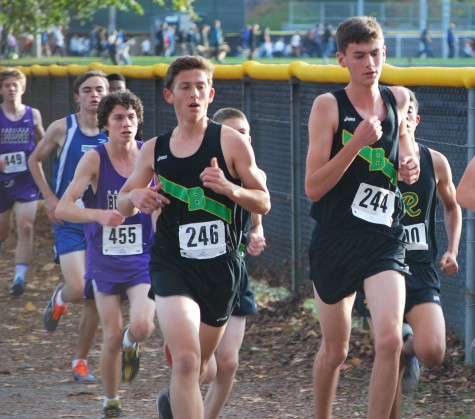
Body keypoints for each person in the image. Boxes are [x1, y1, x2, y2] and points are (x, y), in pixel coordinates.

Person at [117, 55, 270, 419]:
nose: (194, 94)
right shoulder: (154, 148)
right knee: (185, 361)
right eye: (185, 87)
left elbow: (262, 201)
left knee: (202, 367)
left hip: (222, 268)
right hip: (173, 263)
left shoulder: (231, 143)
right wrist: (135, 197)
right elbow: (123, 203)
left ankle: (173, 403)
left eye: (201, 87)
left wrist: (230, 189)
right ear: (169, 95)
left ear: (211, 93)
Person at [304, 16, 419, 419]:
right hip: (335, 237)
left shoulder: (398, 98)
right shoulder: (327, 107)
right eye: (360, 56)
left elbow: (407, 147)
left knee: (389, 340)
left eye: (376, 53)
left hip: (383, 238)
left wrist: (409, 164)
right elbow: (313, 187)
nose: (370, 63)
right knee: (336, 351)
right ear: (342, 60)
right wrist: (354, 143)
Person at [356, 89, 462, 418]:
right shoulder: (372, 160)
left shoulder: (436, 162)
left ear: (416, 120)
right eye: (395, 116)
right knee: (387, 355)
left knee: (433, 351)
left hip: (420, 267)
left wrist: (451, 249)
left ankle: (409, 347)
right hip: (377, 263)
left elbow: (453, 207)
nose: (401, 121)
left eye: (407, 115)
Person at [55, 90, 156, 418]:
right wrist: (99, 215)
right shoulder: (95, 159)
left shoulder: (149, 154)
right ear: (106, 125)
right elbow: (63, 208)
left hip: (142, 255)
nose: (126, 124)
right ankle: (111, 401)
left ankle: (132, 343)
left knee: (142, 326)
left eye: (131, 117)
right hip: (105, 257)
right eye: (118, 118)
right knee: (110, 331)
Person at [28, 70, 109, 383]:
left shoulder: (114, 130)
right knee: (78, 288)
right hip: (70, 219)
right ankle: (60, 298)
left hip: (102, 222)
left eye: (99, 89)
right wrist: (49, 197)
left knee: (97, 296)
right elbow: (35, 160)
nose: (94, 95)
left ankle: (80, 361)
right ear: (78, 96)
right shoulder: (62, 128)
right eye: (87, 90)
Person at [202, 107, 266, 419]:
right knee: (203, 367)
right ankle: (181, 402)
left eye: (242, 133)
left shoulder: (255, 176)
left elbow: (257, 221)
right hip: (197, 274)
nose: (237, 139)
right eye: (230, 133)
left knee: (228, 362)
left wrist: (256, 234)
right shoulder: (198, 173)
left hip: (235, 272)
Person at [0, 68, 45, 296]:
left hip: (25, 179)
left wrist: (40, 153)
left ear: (23, 89)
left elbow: (45, 142)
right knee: (3, 232)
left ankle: (19, 278)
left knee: (26, 226)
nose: (11, 89)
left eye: (15, 85)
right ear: (1, 90)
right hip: (1, 182)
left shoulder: (32, 114)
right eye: (6, 85)